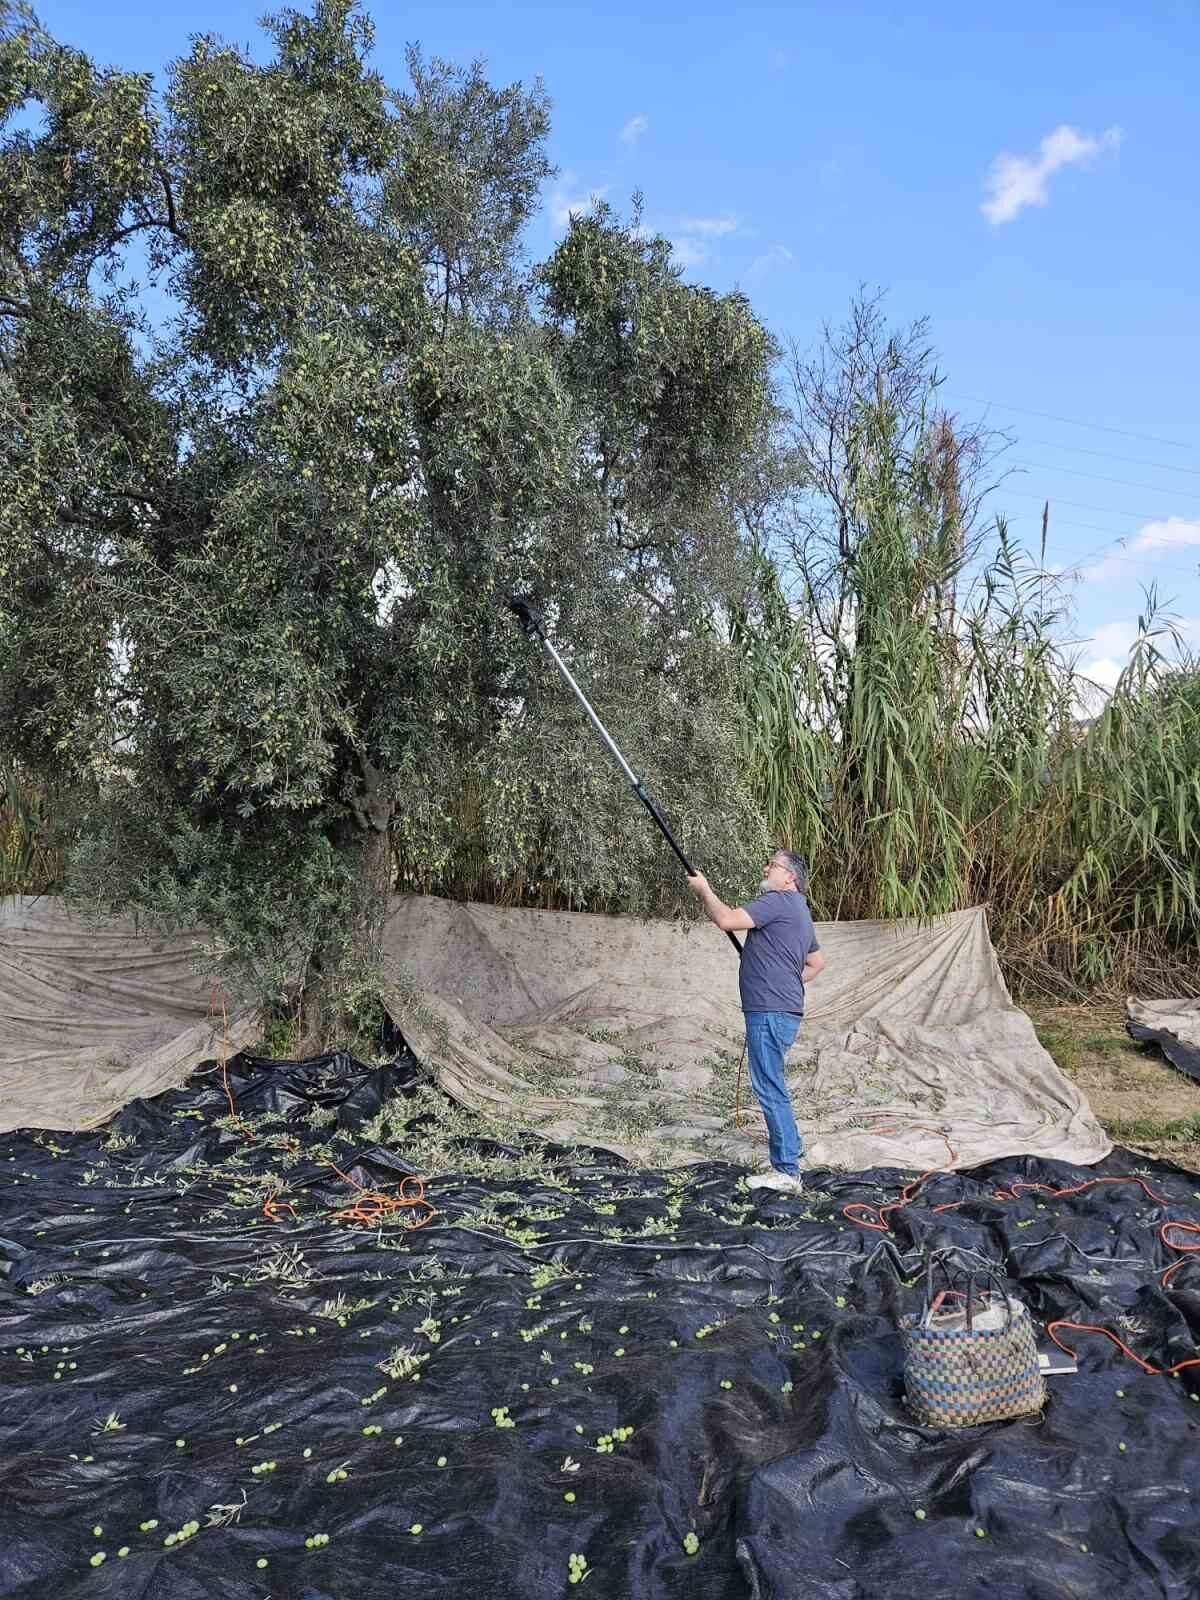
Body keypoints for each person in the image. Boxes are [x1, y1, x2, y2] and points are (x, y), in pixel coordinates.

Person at [687, 850, 825, 1193]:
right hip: (781, 1009)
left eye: (773, 865)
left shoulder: (779, 900)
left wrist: (704, 890)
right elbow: (817, 963)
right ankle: (792, 1150)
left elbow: (726, 920)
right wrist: (785, 978)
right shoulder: (800, 911)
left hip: (769, 1011)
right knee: (773, 1081)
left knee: (769, 1086)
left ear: (789, 877)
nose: (766, 869)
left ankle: (786, 1171)